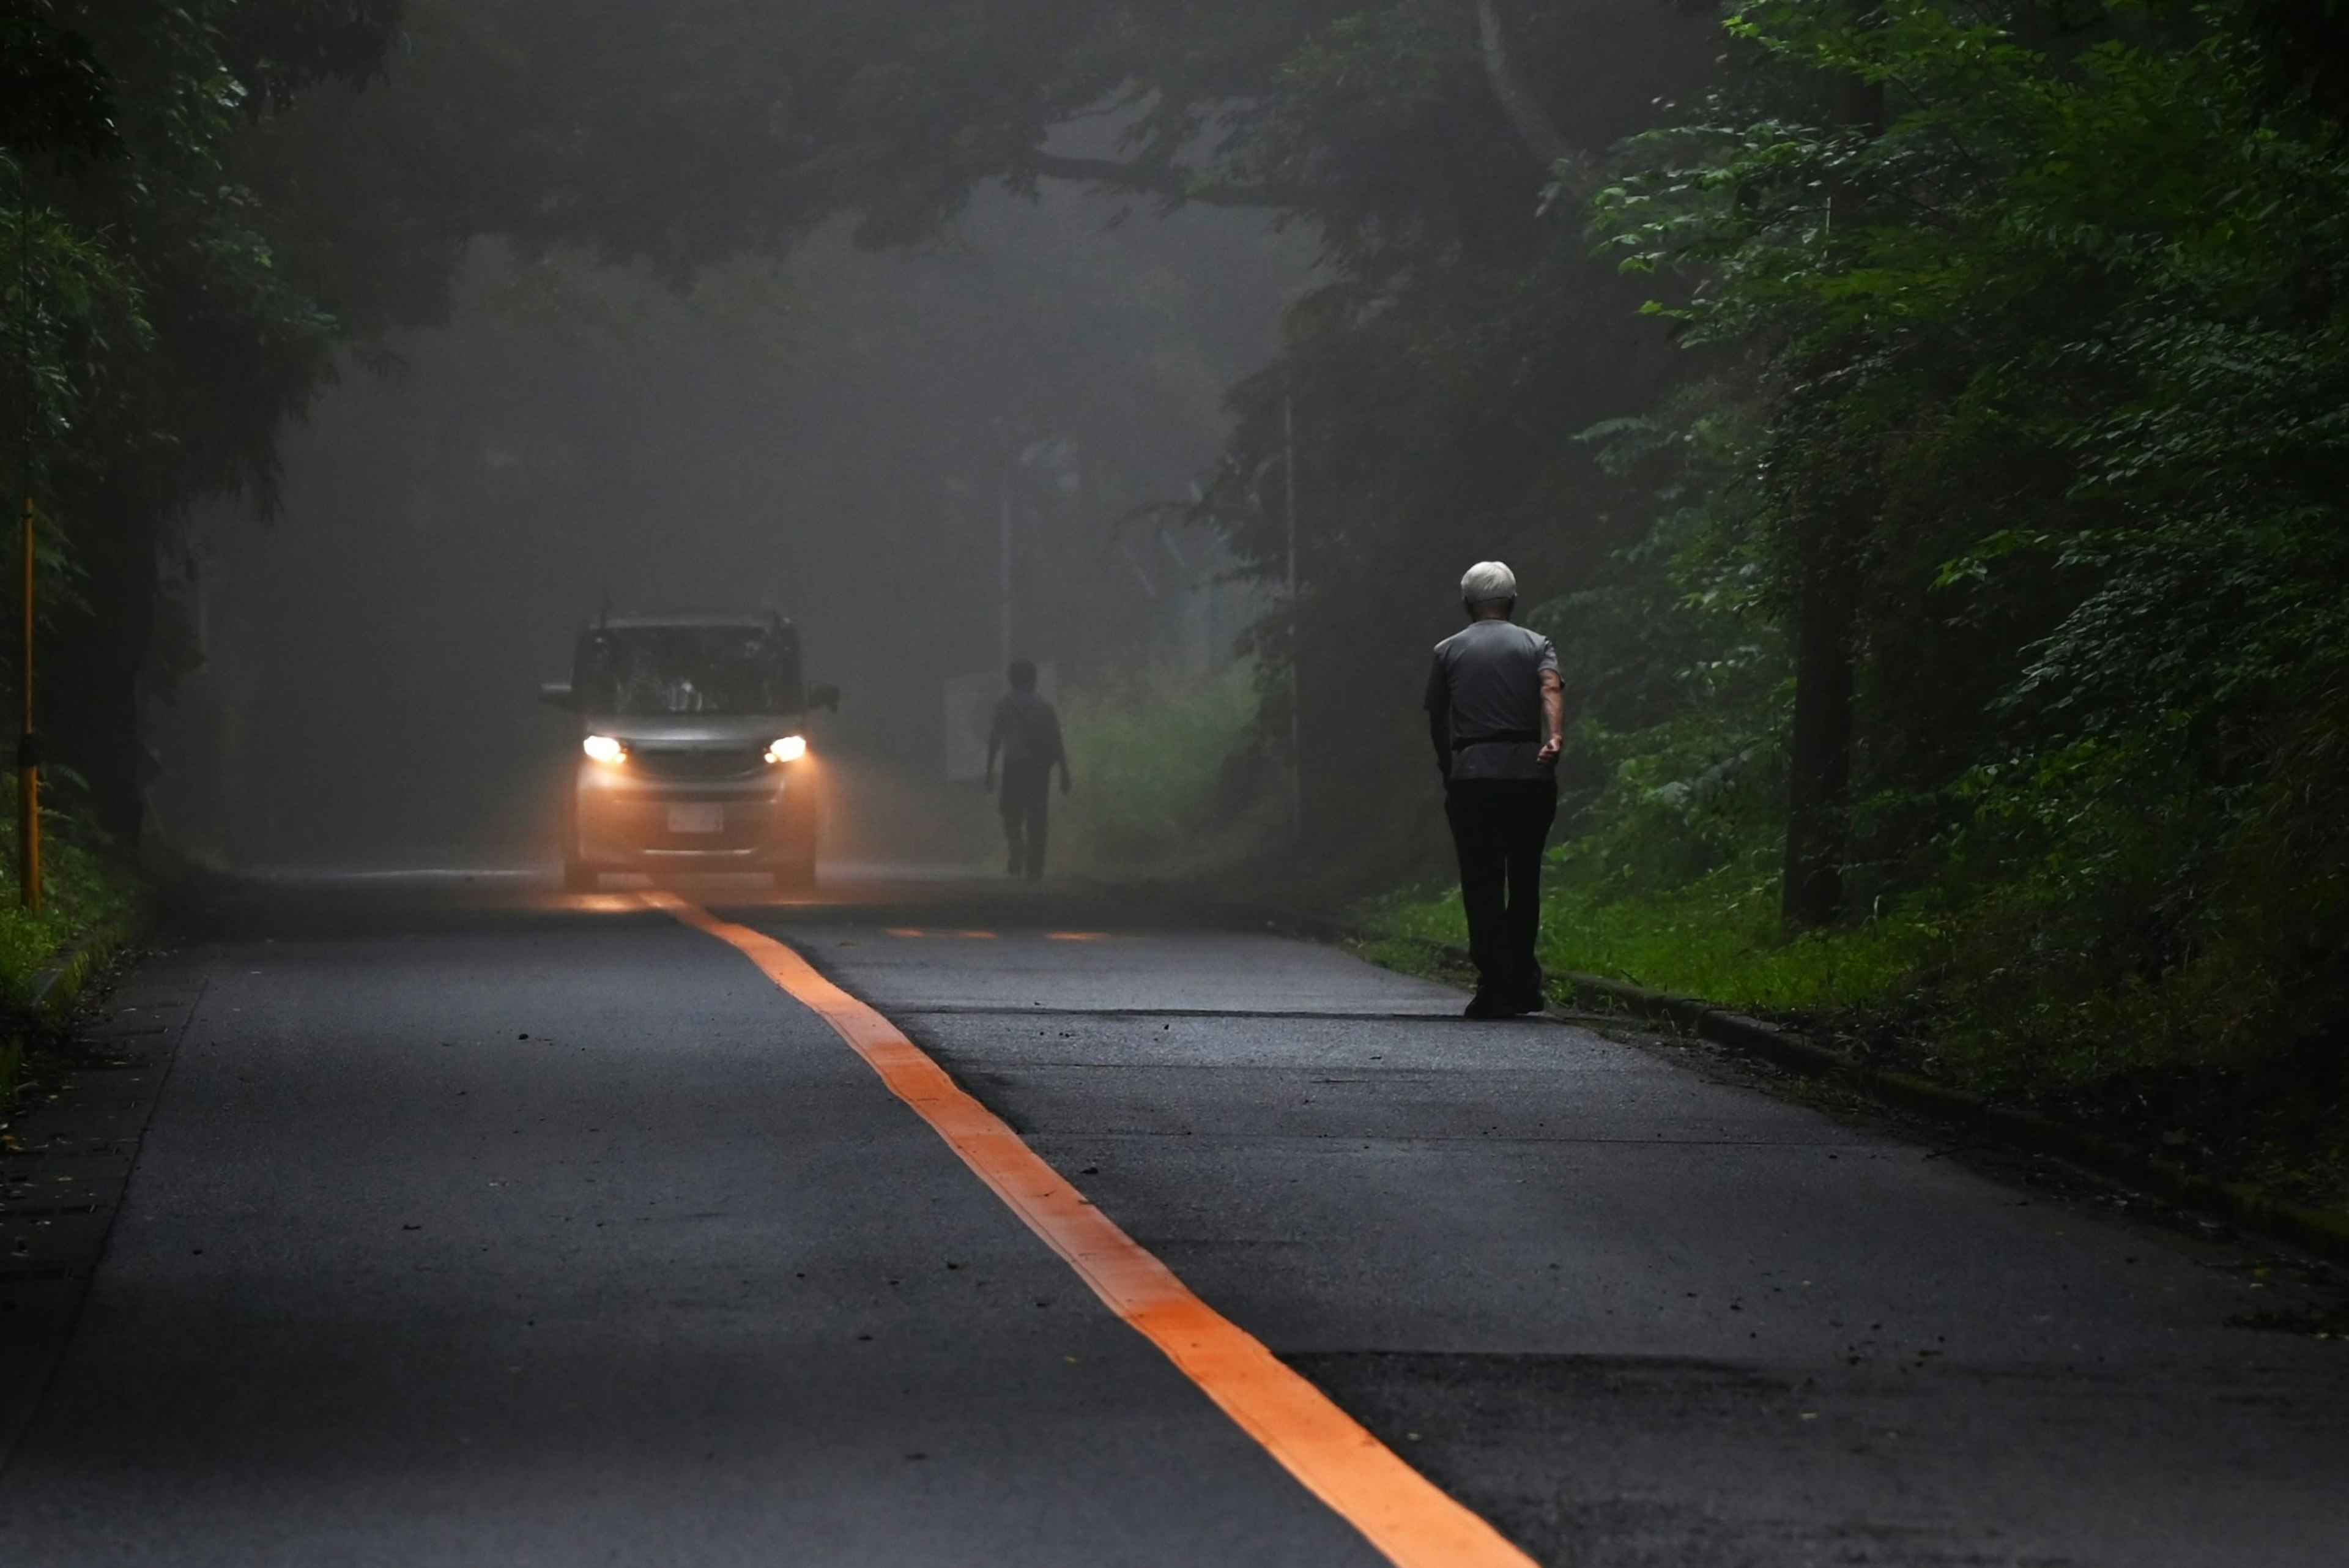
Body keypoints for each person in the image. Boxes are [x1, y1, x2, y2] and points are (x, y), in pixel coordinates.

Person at [1425, 560, 1564, 1018]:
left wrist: (1449, 764)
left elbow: (1437, 717)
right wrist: (1554, 736)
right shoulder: (1536, 644)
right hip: (1530, 774)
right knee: (1525, 877)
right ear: (1513, 601)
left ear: (1467, 605)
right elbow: (1550, 687)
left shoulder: (1447, 651)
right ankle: (1523, 978)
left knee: (1482, 881)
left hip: (1474, 775)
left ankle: (1497, 983)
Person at [985, 659, 1069, 880]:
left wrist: (989, 770)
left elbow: (995, 738)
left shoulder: (1004, 705)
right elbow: (1056, 740)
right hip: (1040, 768)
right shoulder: (1045, 707)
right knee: (1038, 815)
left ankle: (1016, 843)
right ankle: (1035, 867)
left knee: (1010, 810)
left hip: (1014, 764)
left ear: (1011, 680)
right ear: (1034, 680)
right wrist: (1064, 772)